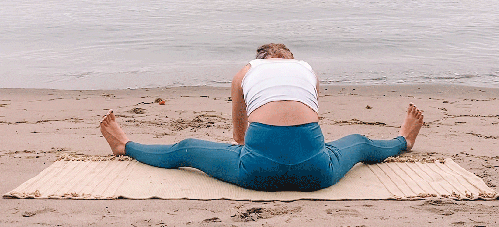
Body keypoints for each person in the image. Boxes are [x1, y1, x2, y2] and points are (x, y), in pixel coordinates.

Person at [100, 43, 424, 192]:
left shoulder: (246, 72)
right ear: (288, 58)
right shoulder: (308, 70)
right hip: (317, 173)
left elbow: (239, 139)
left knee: (184, 150)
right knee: (361, 143)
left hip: (257, 174)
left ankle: (125, 145)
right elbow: (309, 120)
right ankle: (403, 140)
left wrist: (242, 151)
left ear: (262, 58)